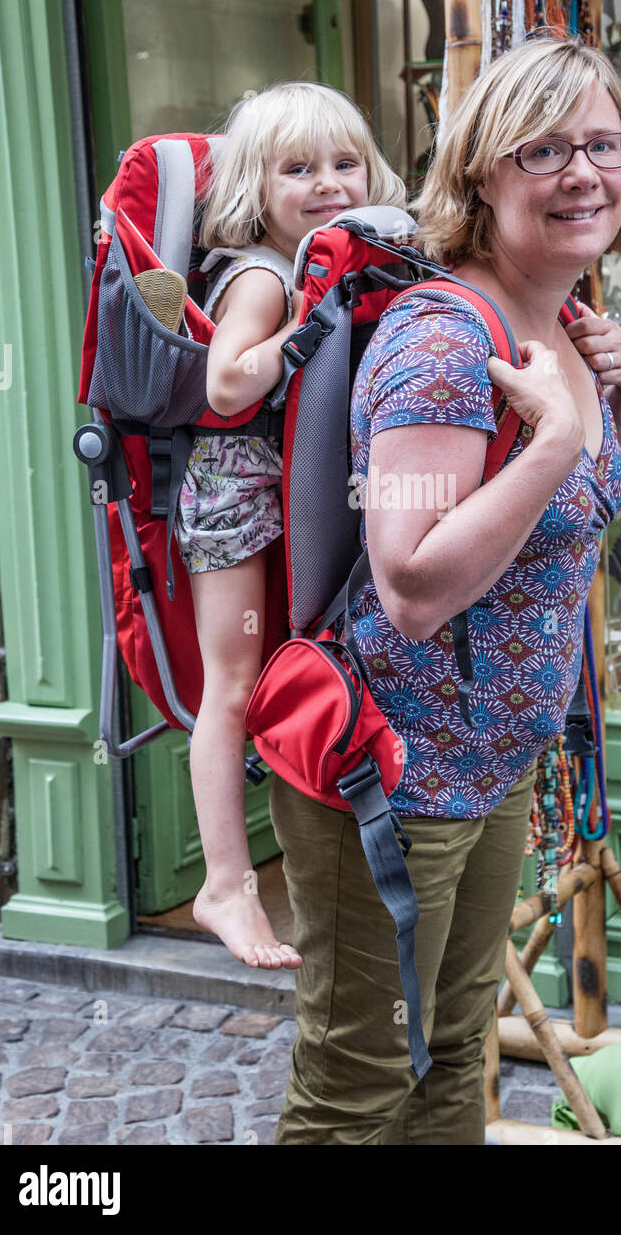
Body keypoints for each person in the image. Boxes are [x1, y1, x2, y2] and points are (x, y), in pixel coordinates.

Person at [268, 35, 621, 1144]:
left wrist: (609, 417)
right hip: (389, 773)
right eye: (544, 148)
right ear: (482, 174)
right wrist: (550, 442)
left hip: (488, 762)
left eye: (602, 144)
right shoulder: (444, 340)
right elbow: (411, 587)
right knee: (356, 1089)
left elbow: (550, 539)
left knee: (452, 1062)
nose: (583, 172)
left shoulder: (566, 325)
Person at [174, 82, 406, 971]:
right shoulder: (266, 276)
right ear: (253, 188)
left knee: (283, 673)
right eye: (298, 169)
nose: (328, 184)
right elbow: (229, 385)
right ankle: (224, 885)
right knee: (230, 688)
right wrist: (310, 323)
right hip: (236, 492)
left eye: (345, 164)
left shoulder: (320, 263)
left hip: (292, 499)